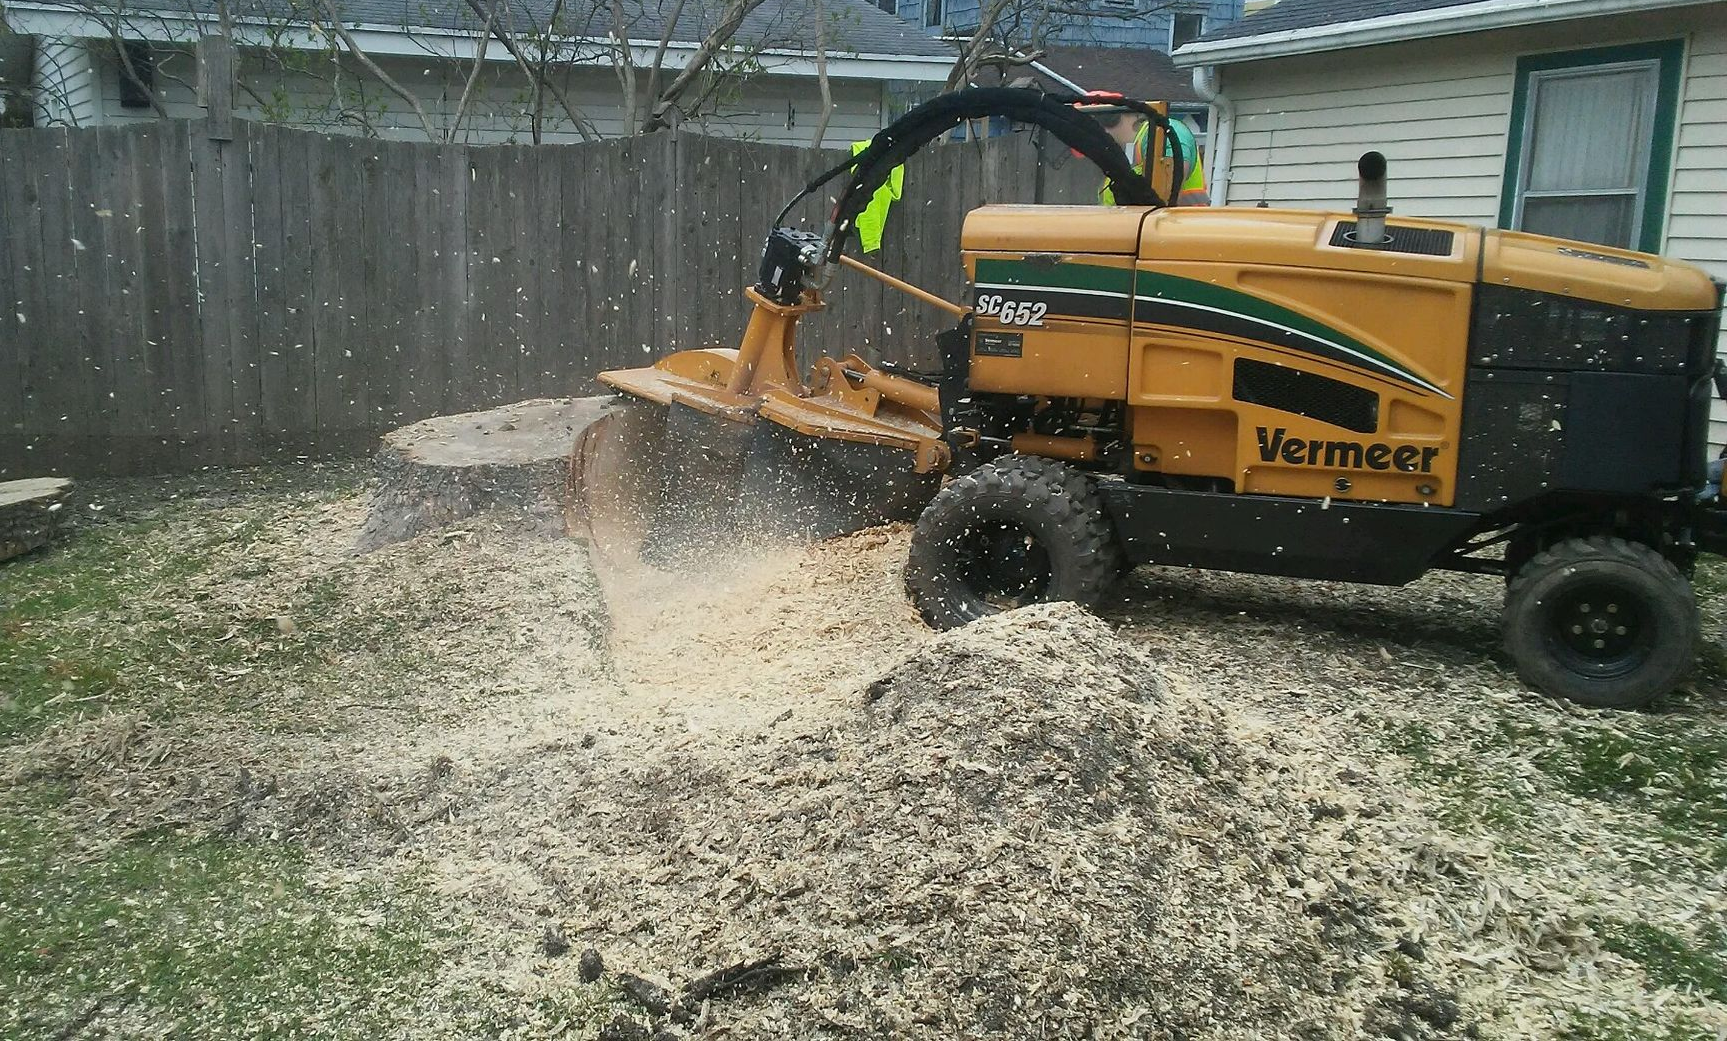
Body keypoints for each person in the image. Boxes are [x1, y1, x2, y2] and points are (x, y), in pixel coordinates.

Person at [1097, 110, 1210, 207]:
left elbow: (1168, 187)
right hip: (1160, 222)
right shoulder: (1142, 141)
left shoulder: (1161, 132)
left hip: (1178, 222)